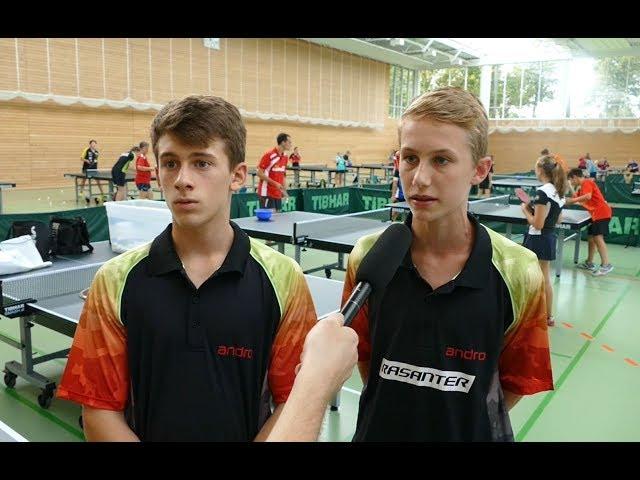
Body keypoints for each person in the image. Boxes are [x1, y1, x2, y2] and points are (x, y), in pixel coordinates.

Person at [56, 95, 356, 442]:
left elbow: (293, 400)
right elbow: (99, 411)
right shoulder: (113, 281)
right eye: (170, 163)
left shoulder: (284, 278)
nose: (183, 179)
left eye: (201, 163)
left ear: (237, 175)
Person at [343, 87, 553, 442]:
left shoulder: (519, 269)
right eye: (409, 158)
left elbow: (514, 381)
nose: (419, 178)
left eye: (441, 160)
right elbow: (365, 359)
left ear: (479, 169)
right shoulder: (367, 255)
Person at [521, 155, 567, 327]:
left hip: (537, 238)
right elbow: (559, 219)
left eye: (535, 167)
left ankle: (528, 313)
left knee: (530, 278)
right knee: (545, 279)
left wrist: (526, 210)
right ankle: (549, 317)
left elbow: (537, 224)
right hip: (548, 238)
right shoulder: (558, 192)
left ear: (540, 169)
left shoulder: (543, 192)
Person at [566, 168, 614, 276]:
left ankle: (606, 265)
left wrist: (572, 201)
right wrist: (569, 188)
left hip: (602, 213)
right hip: (595, 215)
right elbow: (577, 198)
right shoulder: (582, 187)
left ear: (575, 177)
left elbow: (587, 197)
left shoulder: (587, 182)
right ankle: (589, 262)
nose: (572, 182)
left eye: (571, 180)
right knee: (591, 238)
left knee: (597, 237)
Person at [257, 133, 290, 212]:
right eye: (289, 142)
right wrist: (275, 183)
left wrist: (284, 191)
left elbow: (283, 175)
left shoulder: (285, 157)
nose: (291, 144)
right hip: (267, 192)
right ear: (283, 142)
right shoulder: (269, 155)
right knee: (270, 220)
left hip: (277, 194)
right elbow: (259, 173)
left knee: (278, 219)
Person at [80, 140, 105, 205]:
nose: (93, 145)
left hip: (94, 170)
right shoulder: (86, 150)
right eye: (92, 144)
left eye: (94, 144)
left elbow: (95, 161)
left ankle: (103, 194)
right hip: (86, 169)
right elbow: (81, 158)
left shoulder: (97, 152)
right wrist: (86, 160)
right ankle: (80, 192)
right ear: (90, 144)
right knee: (83, 181)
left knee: (98, 181)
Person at [389, 150, 405, 221]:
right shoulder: (397, 171)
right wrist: (393, 195)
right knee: (394, 213)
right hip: (400, 196)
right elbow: (395, 183)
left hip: (408, 196)